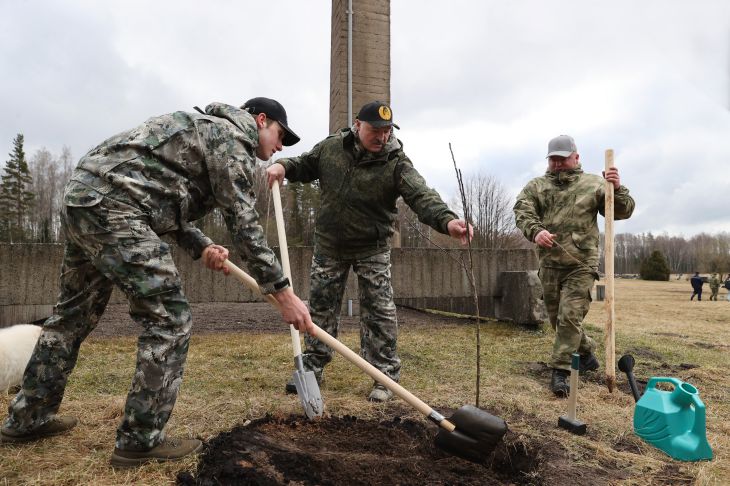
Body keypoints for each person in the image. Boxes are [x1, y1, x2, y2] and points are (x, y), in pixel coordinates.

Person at [0, 98, 315, 467]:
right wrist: (283, 292)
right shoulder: (232, 138)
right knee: (169, 321)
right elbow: (244, 225)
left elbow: (165, 203)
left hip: (84, 201)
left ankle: (26, 419)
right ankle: (139, 440)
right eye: (280, 135)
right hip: (117, 210)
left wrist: (202, 246)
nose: (279, 146)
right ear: (261, 120)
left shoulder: (200, 129)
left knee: (70, 318)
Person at [266, 101, 472, 402]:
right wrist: (283, 165)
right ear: (358, 125)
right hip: (329, 246)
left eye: (388, 131)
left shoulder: (397, 162)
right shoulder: (332, 148)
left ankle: (384, 376)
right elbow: (304, 164)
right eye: (376, 130)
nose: (382, 137)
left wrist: (448, 221)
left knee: (379, 312)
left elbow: (421, 195)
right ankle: (311, 368)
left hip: (371, 248)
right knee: (321, 310)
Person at [513, 135, 635, 397]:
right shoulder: (537, 186)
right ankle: (587, 352)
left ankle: (561, 371)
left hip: (581, 263)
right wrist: (535, 231)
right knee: (558, 321)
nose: (557, 163)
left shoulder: (594, 184)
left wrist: (617, 188)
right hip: (549, 265)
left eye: (562, 158)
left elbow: (622, 211)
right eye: (553, 159)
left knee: (570, 317)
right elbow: (522, 211)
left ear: (576, 157)